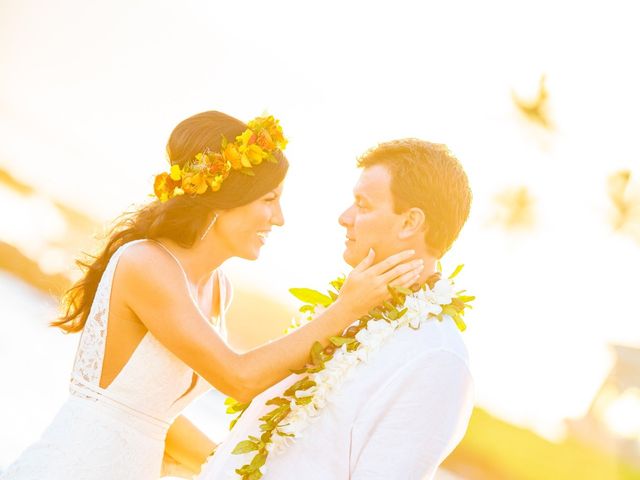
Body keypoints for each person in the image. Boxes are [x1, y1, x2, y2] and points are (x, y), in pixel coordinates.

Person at [0, 112, 423, 480]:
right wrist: (345, 309)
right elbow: (239, 379)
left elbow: (154, 420)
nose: (279, 218)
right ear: (224, 201)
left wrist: (253, 471)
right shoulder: (145, 265)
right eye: (269, 200)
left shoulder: (219, 289)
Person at [199, 138, 474, 480]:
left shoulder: (437, 359)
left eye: (363, 204)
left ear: (410, 223)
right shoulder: (345, 314)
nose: (345, 217)